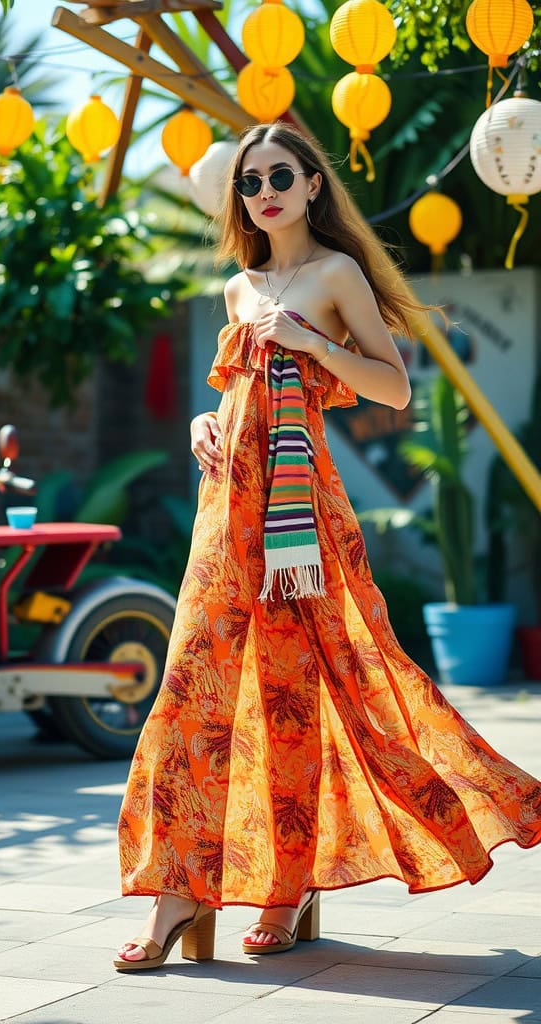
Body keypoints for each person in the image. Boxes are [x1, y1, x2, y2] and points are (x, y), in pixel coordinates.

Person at [114, 123, 541, 971]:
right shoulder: (239, 288)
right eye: (248, 181)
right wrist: (204, 421)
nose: (263, 191)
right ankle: (177, 892)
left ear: (312, 185)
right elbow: (236, 394)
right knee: (192, 689)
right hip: (223, 514)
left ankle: (286, 882)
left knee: (294, 696)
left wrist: (312, 340)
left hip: (300, 527)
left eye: (280, 175)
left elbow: (393, 384)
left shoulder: (336, 275)